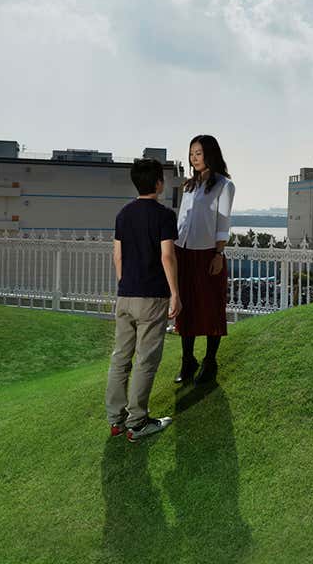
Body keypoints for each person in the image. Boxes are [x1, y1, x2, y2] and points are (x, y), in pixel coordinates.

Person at [106, 158, 180, 441]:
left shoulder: (123, 215)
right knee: (145, 360)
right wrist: (175, 293)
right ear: (158, 184)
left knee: (120, 358)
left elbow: (118, 256)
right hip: (152, 297)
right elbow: (167, 256)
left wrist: (125, 284)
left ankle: (116, 421)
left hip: (125, 295)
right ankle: (138, 423)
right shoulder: (164, 215)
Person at [174, 135, 235, 385]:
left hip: (208, 253)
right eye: (191, 154)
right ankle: (188, 360)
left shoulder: (224, 185)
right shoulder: (188, 186)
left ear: (210, 154)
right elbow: (182, 220)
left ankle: (210, 361)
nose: (194, 158)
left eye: (198, 153)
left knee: (211, 307)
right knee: (185, 308)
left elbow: (223, 222)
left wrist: (219, 253)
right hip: (183, 251)